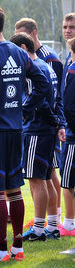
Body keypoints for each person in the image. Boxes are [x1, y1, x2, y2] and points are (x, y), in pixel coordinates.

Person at [0, 3, 51, 262]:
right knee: (14, 189)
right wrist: (23, 108)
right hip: (16, 129)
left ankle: (1, 250)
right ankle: (17, 248)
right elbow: (42, 83)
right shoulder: (19, 52)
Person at [8, 33, 63, 242]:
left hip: (37, 130)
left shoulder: (34, 70)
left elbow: (41, 100)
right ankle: (52, 225)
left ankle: (39, 229)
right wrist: (56, 122)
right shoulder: (46, 66)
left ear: (23, 48)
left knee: (36, 180)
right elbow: (54, 99)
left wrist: (25, 111)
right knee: (46, 178)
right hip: (47, 130)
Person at [60, 13, 75, 236]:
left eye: (72, 26)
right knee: (67, 179)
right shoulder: (68, 59)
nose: (68, 30)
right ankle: (69, 223)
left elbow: (70, 104)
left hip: (73, 132)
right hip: (68, 129)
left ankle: (70, 224)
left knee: (70, 181)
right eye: (65, 26)